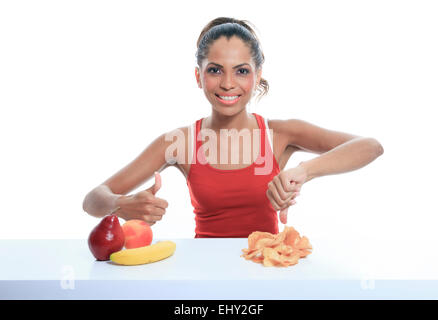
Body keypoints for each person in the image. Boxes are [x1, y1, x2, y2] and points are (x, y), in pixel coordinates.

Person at [82, 17, 384, 238]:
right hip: (205, 277)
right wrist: (120, 204)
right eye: (215, 70)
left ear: (257, 76)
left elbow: (370, 146)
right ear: (199, 77)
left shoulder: (280, 134)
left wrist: (304, 171)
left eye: (241, 71)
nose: (228, 83)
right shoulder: (179, 142)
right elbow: (93, 199)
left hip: (267, 271)